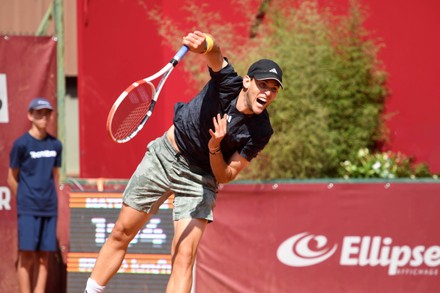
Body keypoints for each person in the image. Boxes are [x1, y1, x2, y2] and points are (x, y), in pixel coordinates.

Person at [84, 30, 283, 293]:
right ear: (247, 82)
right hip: (165, 156)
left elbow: (227, 174)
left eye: (273, 89)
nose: (267, 93)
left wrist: (215, 149)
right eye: (263, 85)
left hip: (201, 179)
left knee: (184, 255)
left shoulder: (260, 131)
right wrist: (206, 44)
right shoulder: (228, 83)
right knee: (122, 232)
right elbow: (215, 53)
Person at [7, 97, 62, 293]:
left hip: (49, 207)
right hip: (28, 208)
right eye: (39, 113)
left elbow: (54, 175)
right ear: (30, 115)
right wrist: (25, 197)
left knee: (44, 256)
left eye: (47, 113)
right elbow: (11, 178)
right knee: (27, 254)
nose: (44, 117)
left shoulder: (56, 145)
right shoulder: (21, 145)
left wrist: (44, 195)